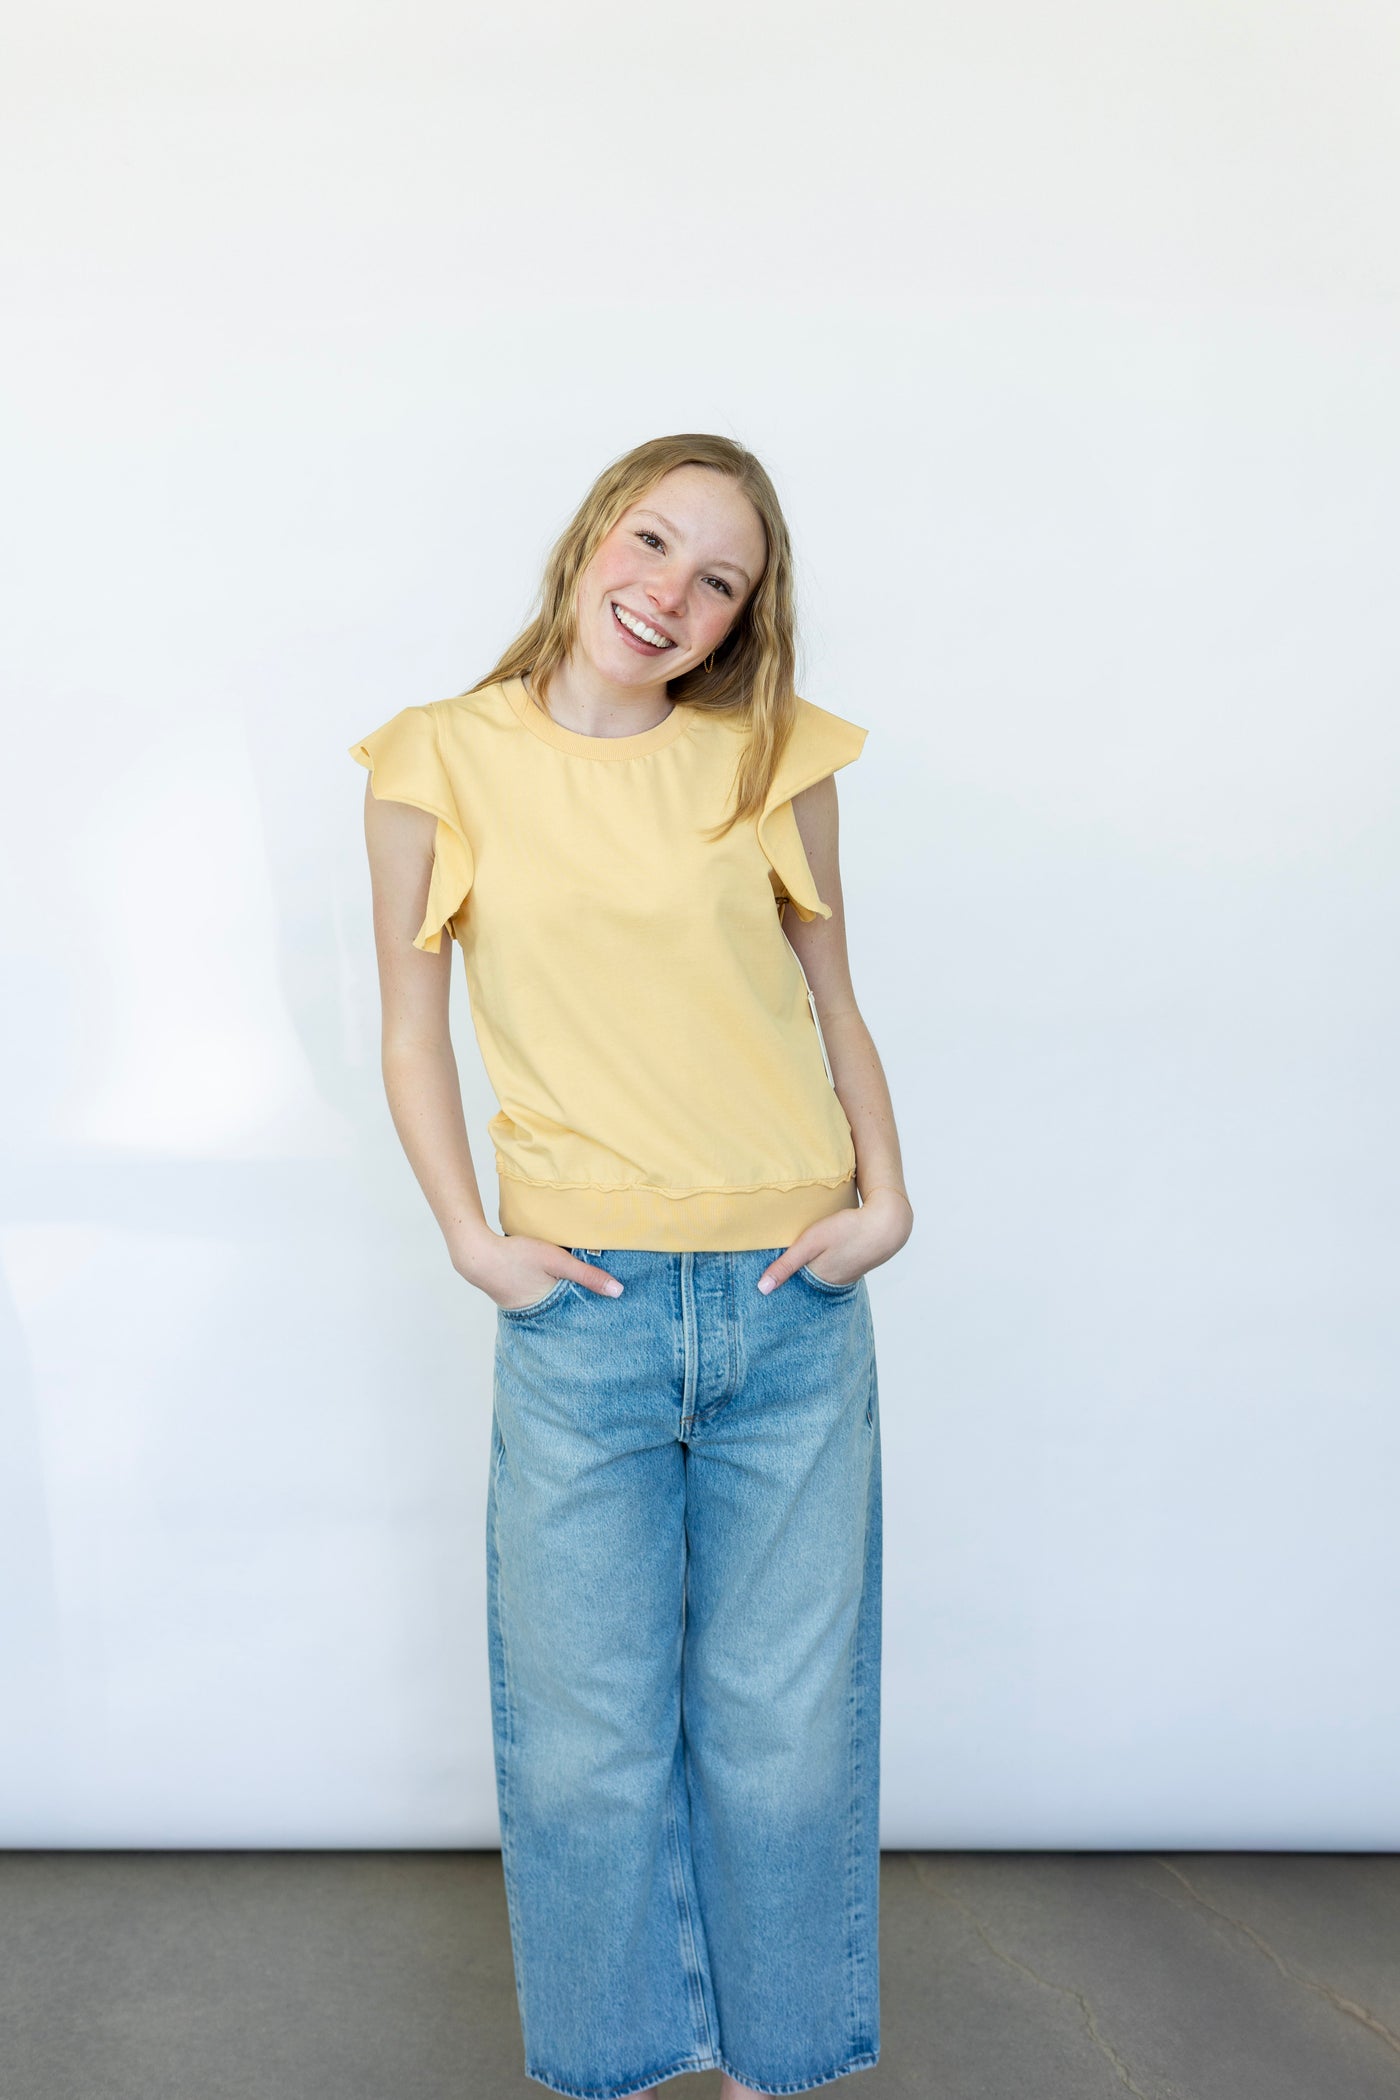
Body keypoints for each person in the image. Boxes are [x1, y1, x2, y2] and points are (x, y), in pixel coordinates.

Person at [348, 433, 913, 2100]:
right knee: (588, 1752)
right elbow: (408, 1029)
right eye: (653, 541)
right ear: (595, 534)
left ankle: (778, 2066)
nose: (667, 590)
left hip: (790, 1302)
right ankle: (621, 2066)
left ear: (743, 616)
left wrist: (888, 1201)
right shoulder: (433, 759)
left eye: (717, 575)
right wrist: (472, 1237)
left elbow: (834, 993)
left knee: (787, 1744)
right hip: (582, 1311)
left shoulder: (769, 759)